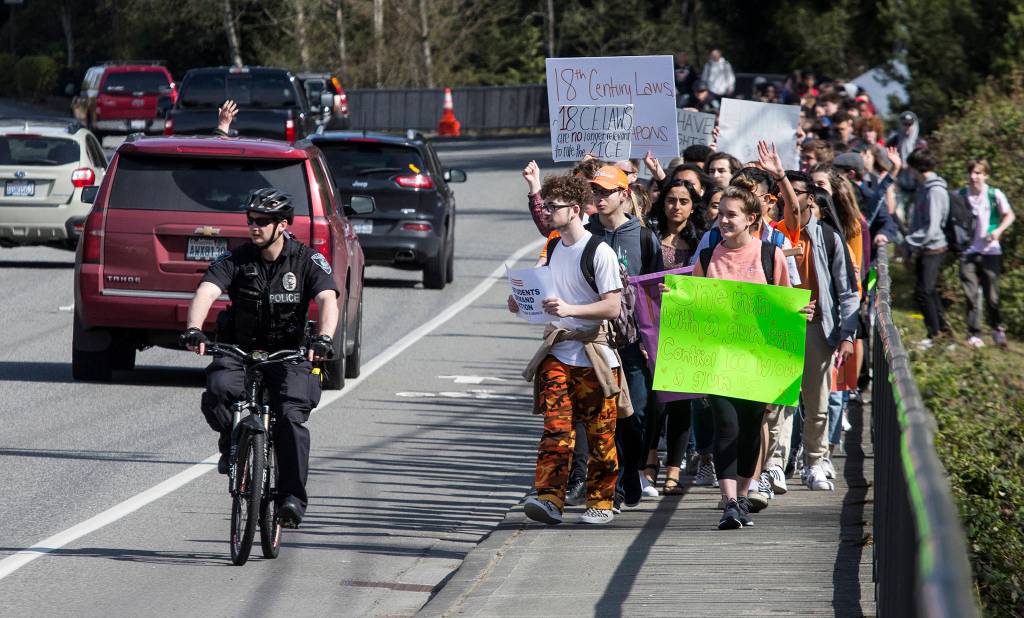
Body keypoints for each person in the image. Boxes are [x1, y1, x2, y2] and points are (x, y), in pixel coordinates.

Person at [181, 188, 339, 528]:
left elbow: (327, 299)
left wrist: (324, 339)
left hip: (290, 353)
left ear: (282, 225)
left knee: (290, 417)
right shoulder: (236, 260)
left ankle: (291, 499)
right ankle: (232, 441)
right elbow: (206, 291)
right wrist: (194, 329)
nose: (254, 227)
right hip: (241, 351)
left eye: (263, 222)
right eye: (251, 220)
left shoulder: (307, 260)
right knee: (219, 389)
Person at [689, 186, 808, 528]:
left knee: (751, 429)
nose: (723, 220)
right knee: (725, 426)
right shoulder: (707, 257)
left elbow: (785, 304)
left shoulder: (771, 255)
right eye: (720, 213)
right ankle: (728, 501)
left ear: (751, 219)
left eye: (731, 215)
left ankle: (743, 496)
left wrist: (802, 312)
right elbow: (697, 308)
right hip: (720, 359)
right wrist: (680, 300)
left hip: (758, 361)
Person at [513, 174, 624, 526]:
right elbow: (541, 292)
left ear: (575, 210)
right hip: (558, 354)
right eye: (545, 206)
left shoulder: (598, 252)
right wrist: (520, 301)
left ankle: (601, 501)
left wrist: (571, 310)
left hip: (594, 356)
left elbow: (612, 307)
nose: (546, 212)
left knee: (600, 435)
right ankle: (548, 498)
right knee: (556, 431)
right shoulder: (553, 248)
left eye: (553, 207)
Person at [775, 159, 859, 493]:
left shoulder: (829, 238)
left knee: (817, 403)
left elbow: (847, 289)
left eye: (797, 194)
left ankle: (815, 461)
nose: (791, 201)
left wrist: (847, 335)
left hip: (818, 328)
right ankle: (774, 467)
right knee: (779, 403)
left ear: (811, 198)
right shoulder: (773, 235)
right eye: (786, 195)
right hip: (779, 327)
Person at [585, 166, 664, 511]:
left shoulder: (645, 237)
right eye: (596, 192)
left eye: (606, 192)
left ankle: (632, 470)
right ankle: (613, 485)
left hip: (633, 342)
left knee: (638, 414)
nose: (600, 198)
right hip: (598, 340)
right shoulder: (586, 235)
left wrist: (653, 343)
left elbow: (657, 291)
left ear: (624, 194)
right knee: (606, 414)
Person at [959, 159, 1015, 348]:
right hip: (968, 251)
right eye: (972, 173)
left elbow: (1009, 215)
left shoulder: (994, 194)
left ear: (985, 175)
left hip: (991, 251)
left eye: (978, 173)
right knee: (971, 293)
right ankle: (974, 333)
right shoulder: (960, 194)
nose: (974, 177)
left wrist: (998, 231)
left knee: (992, 295)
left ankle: (996, 329)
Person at [902, 150, 951, 349]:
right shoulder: (924, 188)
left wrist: (908, 242)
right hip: (925, 248)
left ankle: (936, 334)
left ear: (916, 168)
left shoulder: (935, 190)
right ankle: (942, 333)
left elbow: (931, 227)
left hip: (933, 248)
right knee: (927, 292)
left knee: (924, 292)